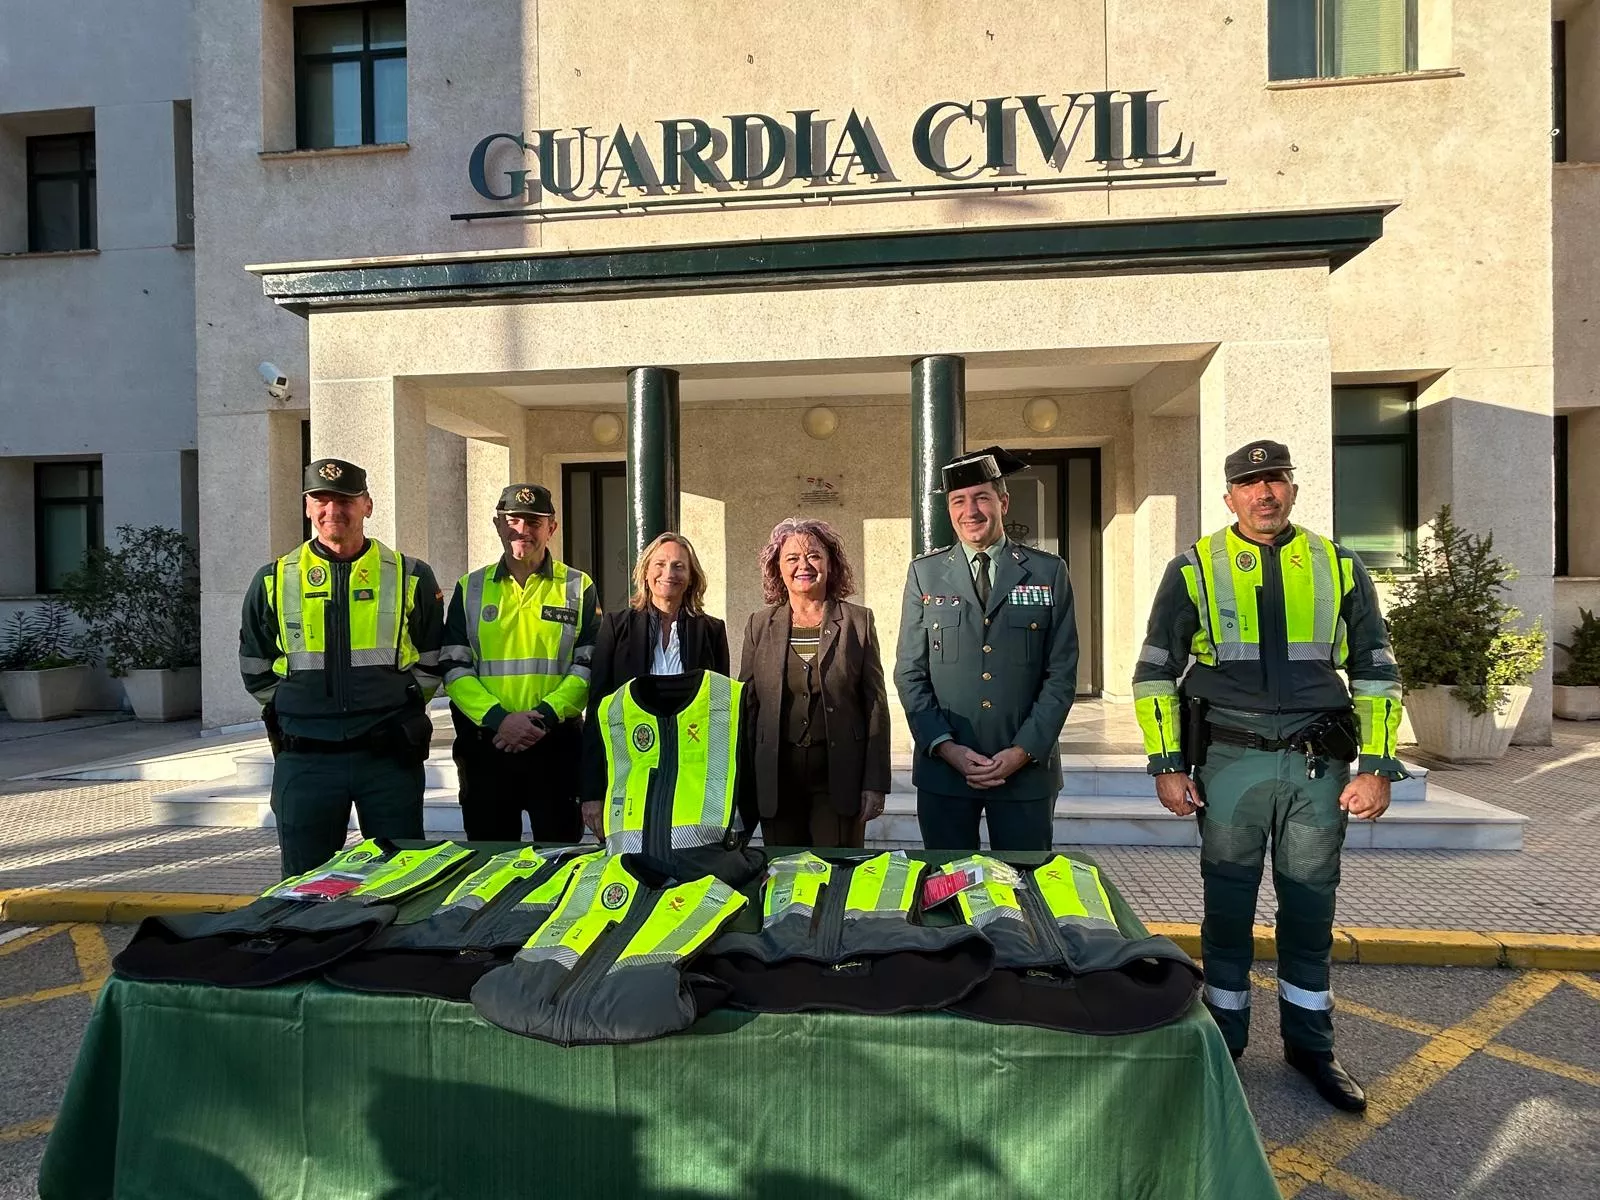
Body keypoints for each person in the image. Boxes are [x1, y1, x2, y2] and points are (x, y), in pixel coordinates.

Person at [1132, 439, 1406, 1114]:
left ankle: (1310, 1045)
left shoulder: (1338, 565)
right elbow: (1155, 671)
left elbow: (1375, 669)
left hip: (1318, 764)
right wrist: (1167, 764)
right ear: (1229, 497)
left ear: (1292, 487)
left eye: (1274, 480)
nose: (1264, 493)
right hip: (1230, 761)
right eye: (1249, 483)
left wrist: (1375, 766)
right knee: (1227, 907)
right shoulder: (1195, 566)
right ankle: (1224, 1039)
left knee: (1310, 906)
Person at [239, 458, 444, 876]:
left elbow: (432, 658)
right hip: (306, 758)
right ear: (307, 507)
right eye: (321, 499)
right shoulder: (273, 578)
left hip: (387, 756)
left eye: (345, 500)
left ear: (367, 505)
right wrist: (296, 706)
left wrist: (402, 702)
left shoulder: (410, 575)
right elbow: (254, 663)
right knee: (303, 885)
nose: (333, 510)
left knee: (400, 878)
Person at [893, 446, 1078, 852]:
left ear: (1003, 502)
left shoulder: (1048, 571)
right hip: (945, 770)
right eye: (959, 501)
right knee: (946, 890)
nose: (970, 510)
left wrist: (1022, 751)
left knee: (1024, 889)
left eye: (981, 497)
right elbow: (909, 671)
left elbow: (1061, 673)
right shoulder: (925, 573)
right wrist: (945, 746)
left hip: (1026, 771)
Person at [440, 483, 600, 842]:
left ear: (551, 528)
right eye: (513, 520)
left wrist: (540, 719)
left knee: (558, 863)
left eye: (534, 521)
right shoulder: (471, 587)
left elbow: (588, 666)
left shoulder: (579, 586)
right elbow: (453, 667)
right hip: (487, 747)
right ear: (498, 525)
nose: (522, 530)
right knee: (490, 867)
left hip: (555, 747)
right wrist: (500, 720)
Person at [740, 517, 891, 848]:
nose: (803, 565)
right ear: (777, 569)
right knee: (782, 875)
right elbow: (747, 706)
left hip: (839, 778)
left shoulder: (857, 621)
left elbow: (875, 703)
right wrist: (741, 783)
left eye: (814, 556)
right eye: (792, 558)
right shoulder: (759, 624)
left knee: (835, 874)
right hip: (777, 781)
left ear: (831, 564)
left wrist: (875, 782)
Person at [580, 532, 729, 837]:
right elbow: (598, 709)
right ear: (645, 572)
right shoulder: (615, 626)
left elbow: (720, 716)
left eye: (679, 566)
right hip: (629, 771)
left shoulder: (711, 630)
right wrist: (592, 792)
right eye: (659, 564)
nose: (668, 573)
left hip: (691, 775)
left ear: (691, 577)